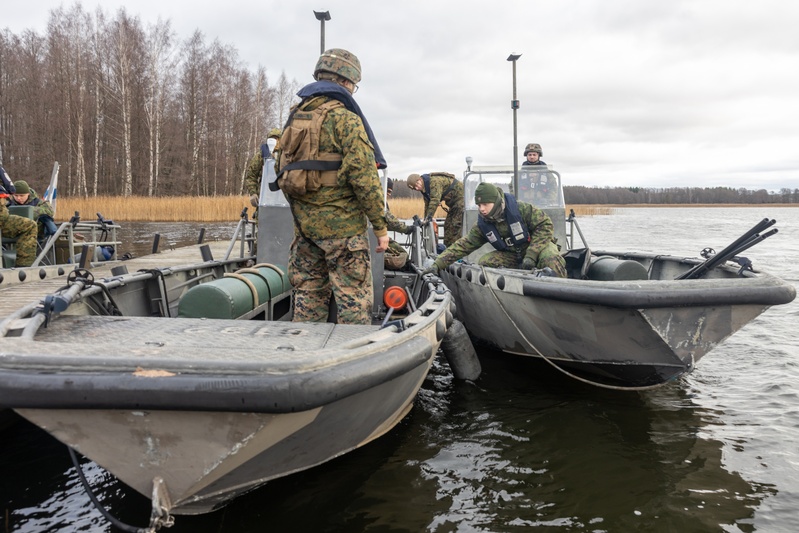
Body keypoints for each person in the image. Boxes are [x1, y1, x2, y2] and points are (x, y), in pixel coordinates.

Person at [275, 48, 388, 324]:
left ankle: (302, 355)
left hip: (305, 231)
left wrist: (304, 215)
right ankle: (352, 361)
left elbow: (282, 172)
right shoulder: (347, 120)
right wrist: (381, 228)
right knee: (352, 304)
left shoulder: (294, 118)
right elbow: (365, 180)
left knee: (308, 300)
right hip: (344, 234)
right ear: (347, 82)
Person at [422, 181, 566, 277]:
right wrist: (438, 264)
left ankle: (562, 289)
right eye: (479, 206)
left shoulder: (521, 209)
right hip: (514, 255)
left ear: (496, 201)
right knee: (485, 262)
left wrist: (532, 254)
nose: (482, 209)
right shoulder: (483, 225)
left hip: (538, 248)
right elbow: (463, 245)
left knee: (550, 258)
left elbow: (545, 225)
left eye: (485, 204)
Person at [406, 171, 464, 247]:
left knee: (455, 226)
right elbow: (427, 205)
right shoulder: (425, 189)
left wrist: (429, 217)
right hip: (453, 205)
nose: (417, 188)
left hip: (461, 200)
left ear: (420, 179)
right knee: (447, 226)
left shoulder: (434, 182)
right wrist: (426, 219)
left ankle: (455, 251)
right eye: (414, 188)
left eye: (416, 185)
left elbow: (435, 200)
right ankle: (447, 250)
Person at [0, 167, 38, 267]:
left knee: (30, 225)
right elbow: (9, 186)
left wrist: (34, 211)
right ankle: (23, 267)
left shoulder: (37, 202)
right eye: (17, 196)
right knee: (30, 226)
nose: (19, 198)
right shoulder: (11, 202)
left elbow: (47, 210)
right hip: (2, 220)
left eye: (22, 195)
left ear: (28, 194)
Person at [244, 127, 283, 218]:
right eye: (272, 138)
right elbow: (251, 175)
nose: (275, 141)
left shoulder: (287, 154)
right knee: (263, 224)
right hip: (265, 198)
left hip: (283, 197)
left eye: (277, 138)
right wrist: (253, 193)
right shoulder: (261, 155)